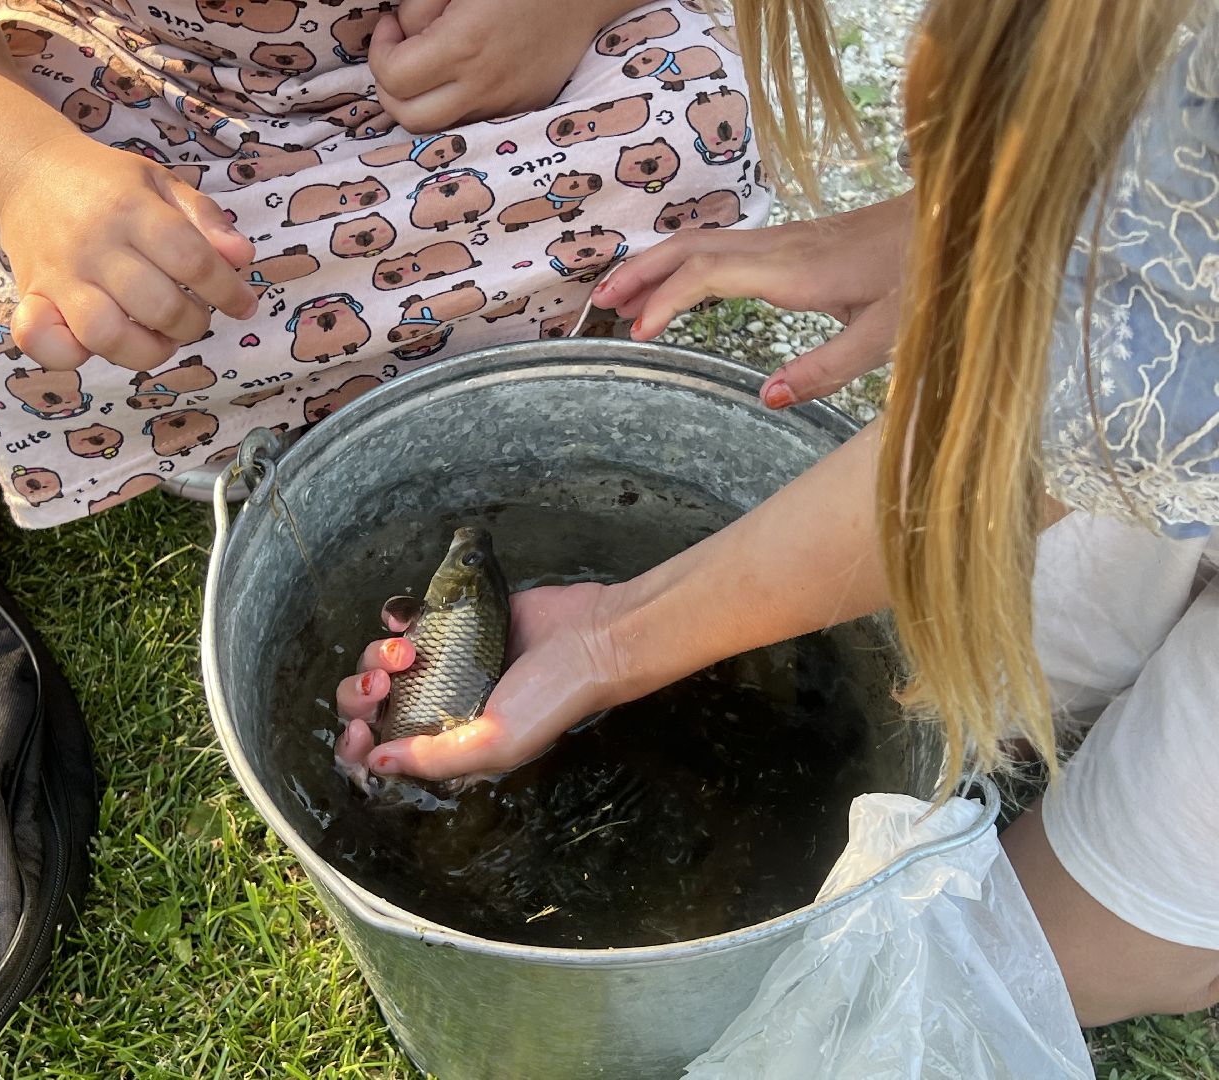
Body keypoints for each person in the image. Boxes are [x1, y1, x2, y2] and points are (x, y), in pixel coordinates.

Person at [336, 0, 1219, 1028]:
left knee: (984, 961)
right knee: (930, 683)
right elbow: (1133, 217)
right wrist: (923, 231)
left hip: (1156, 402)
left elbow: (1002, 464)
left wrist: (610, 646)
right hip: (1166, 390)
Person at [0, 0, 850, 524]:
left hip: (483, 67)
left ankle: (276, 378)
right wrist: (27, 177)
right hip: (140, 106)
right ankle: (448, 337)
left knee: (699, 110)